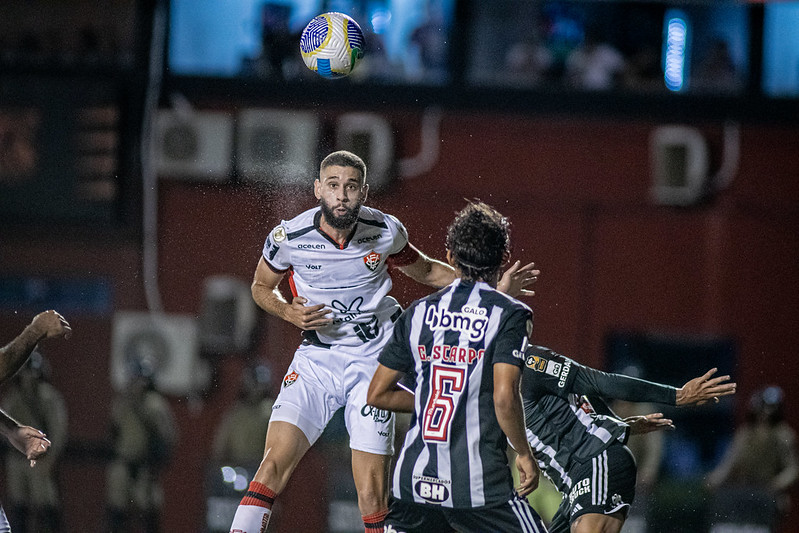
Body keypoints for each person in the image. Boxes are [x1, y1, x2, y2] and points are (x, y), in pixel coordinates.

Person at [227, 151, 539, 533]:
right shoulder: (288, 237)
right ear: (317, 189)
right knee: (271, 466)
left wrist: (488, 287)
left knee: (371, 494)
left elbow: (425, 269)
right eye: (333, 185)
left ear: (364, 192)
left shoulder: (385, 230)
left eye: (351, 187)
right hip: (316, 360)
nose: (342, 195)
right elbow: (261, 287)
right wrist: (288, 312)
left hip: (373, 361)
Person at [367, 200, 547, 532]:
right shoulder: (511, 315)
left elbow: (377, 394)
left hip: (412, 487)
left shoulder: (417, 312)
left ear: (449, 256)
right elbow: (505, 398)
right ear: (501, 258)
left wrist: (429, 400)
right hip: (479, 489)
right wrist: (524, 453)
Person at [519, 344, 736, 533]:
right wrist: (623, 426)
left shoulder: (530, 363)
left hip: (596, 460)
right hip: (572, 486)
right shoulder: (491, 402)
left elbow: (598, 383)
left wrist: (676, 396)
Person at [0, 310, 71, 533]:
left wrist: (12, 430)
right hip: (17, 459)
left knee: (45, 507)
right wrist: (35, 331)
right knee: (21, 507)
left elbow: (58, 429)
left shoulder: (47, 396)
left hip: (36, 456)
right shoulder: (16, 396)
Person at [705, 385, 798, 528]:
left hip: (767, 491)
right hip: (743, 489)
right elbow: (731, 460)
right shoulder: (745, 434)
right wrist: (716, 478)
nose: (766, 412)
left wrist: (778, 484)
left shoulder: (783, 434)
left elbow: (792, 468)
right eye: (763, 407)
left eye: (770, 407)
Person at [106, 358, 177, 533]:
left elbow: (167, 435)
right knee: (117, 505)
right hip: (124, 460)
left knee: (147, 507)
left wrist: (159, 459)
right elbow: (114, 430)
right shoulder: (122, 402)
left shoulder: (155, 404)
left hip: (147, 464)